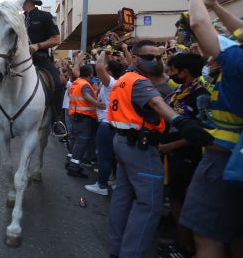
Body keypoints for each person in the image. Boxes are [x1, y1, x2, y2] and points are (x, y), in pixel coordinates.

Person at [107, 39, 213, 258]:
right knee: (149, 204)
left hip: (124, 141)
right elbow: (156, 103)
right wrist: (180, 121)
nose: (155, 61)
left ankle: (117, 250)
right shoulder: (140, 82)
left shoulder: (123, 80)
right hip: (139, 146)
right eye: (149, 57)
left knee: (122, 199)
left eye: (158, 56)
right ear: (134, 59)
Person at [178, 0, 243, 258]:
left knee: (207, 236)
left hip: (224, 158)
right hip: (230, 157)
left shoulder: (237, 60)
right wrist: (215, 5)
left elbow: (199, 27)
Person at [156, 52, 209, 258]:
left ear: (184, 71)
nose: (169, 74)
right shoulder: (177, 91)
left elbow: (201, 132)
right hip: (171, 155)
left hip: (187, 157)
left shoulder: (201, 95)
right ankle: (182, 241)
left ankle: (186, 247)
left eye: (172, 70)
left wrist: (172, 146)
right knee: (175, 198)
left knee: (182, 200)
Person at [15, 0, 65, 134]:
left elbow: (56, 39)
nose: (18, 0)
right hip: (20, 60)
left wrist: (38, 45)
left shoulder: (45, 16)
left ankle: (57, 120)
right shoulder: (19, 19)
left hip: (41, 59)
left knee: (57, 83)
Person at [85, 51, 124, 195]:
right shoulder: (120, 83)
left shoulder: (111, 83)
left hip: (106, 124)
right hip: (114, 124)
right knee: (112, 157)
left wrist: (99, 53)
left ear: (110, 72)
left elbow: (99, 68)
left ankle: (101, 186)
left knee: (104, 156)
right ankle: (113, 182)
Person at [65, 63, 101, 178]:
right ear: (90, 73)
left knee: (75, 140)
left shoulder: (75, 83)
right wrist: (98, 104)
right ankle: (74, 168)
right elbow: (86, 96)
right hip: (83, 117)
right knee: (81, 142)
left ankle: (71, 162)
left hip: (74, 115)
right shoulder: (85, 84)